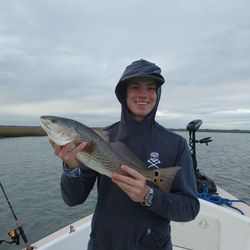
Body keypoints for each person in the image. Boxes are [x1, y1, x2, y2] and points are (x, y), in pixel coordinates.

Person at [51, 59, 200, 250]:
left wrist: (149, 195)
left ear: (157, 93)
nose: (143, 95)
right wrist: (71, 167)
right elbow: (73, 199)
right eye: (135, 87)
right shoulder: (100, 138)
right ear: (124, 93)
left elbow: (189, 208)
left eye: (151, 88)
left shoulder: (175, 144)